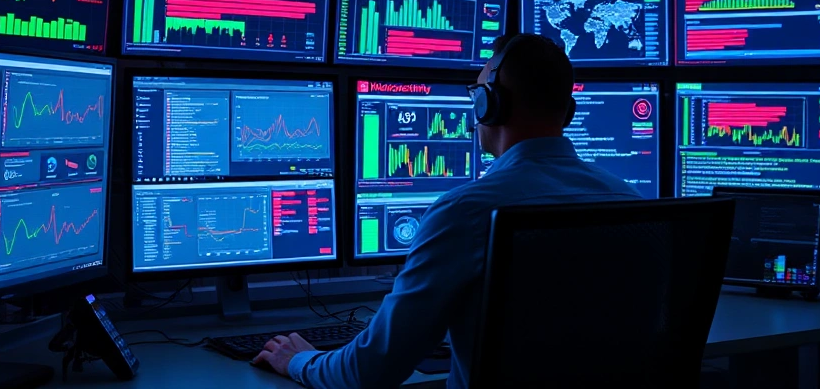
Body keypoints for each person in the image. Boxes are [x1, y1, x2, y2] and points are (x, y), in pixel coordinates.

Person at [254, 34, 645, 388]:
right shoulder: (632, 205)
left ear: (487, 105)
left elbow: (368, 373)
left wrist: (299, 360)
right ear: (568, 112)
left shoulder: (466, 211)